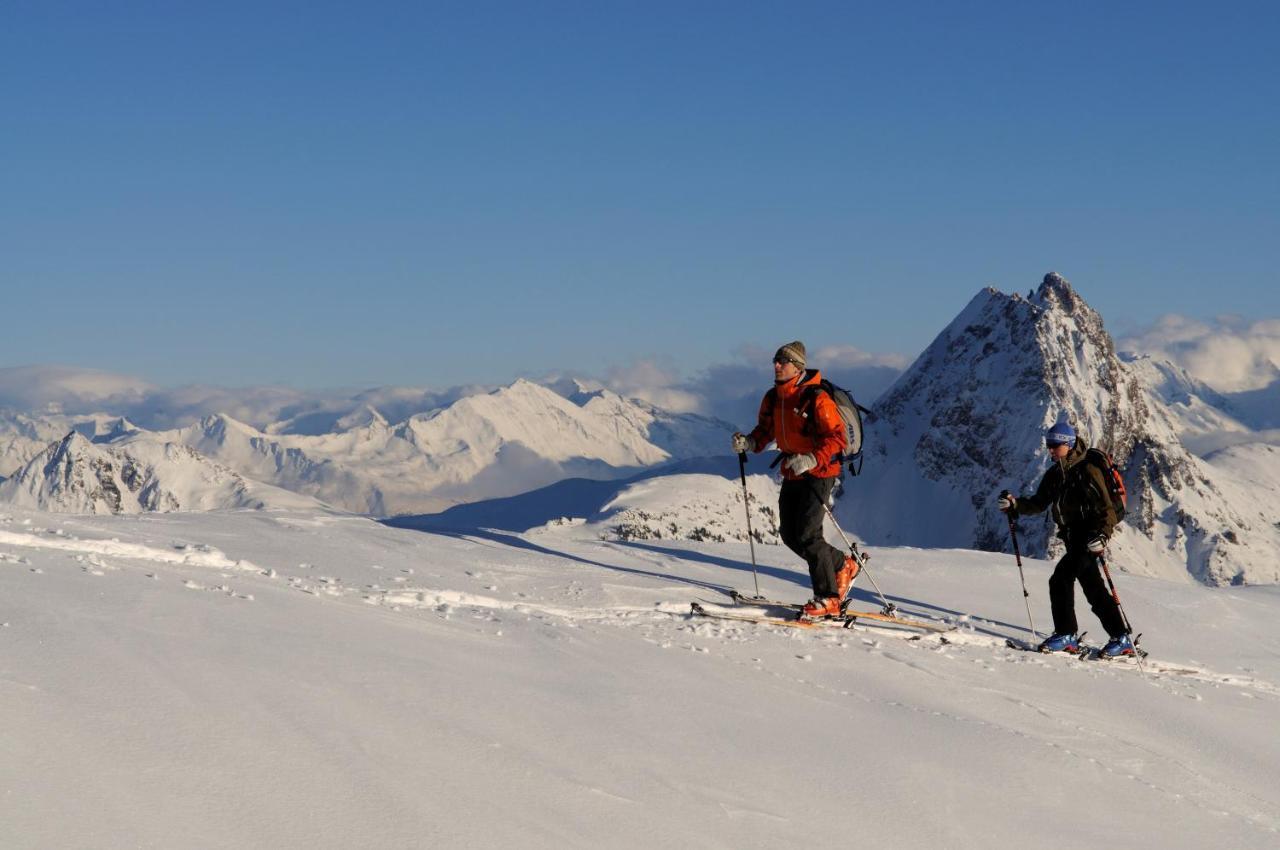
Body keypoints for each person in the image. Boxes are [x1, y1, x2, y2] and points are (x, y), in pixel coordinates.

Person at [732, 340, 858, 619]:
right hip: (793, 471)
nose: (776, 365)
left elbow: (837, 438)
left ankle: (828, 598)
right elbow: (766, 431)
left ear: (797, 367)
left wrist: (812, 459)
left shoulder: (816, 398)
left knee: (808, 535)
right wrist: (750, 443)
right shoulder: (774, 397)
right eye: (775, 361)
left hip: (820, 471)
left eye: (782, 361)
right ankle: (843, 565)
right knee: (790, 535)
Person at [997, 419, 1134, 657]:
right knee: (1094, 589)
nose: (1050, 449)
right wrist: (1015, 505)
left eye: (1054, 445)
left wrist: (1102, 535)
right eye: (1048, 444)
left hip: (1088, 537)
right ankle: (1120, 637)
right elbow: (1039, 503)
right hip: (1072, 537)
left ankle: (1066, 634)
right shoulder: (1055, 473)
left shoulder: (1087, 472)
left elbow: (1107, 510)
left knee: (1060, 580)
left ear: (1068, 445)